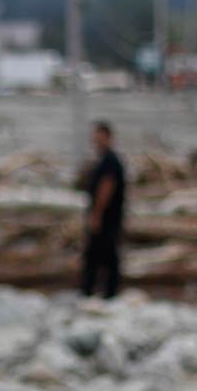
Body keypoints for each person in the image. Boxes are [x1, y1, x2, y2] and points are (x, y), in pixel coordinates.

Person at [81, 121, 126, 299]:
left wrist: (96, 214)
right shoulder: (103, 159)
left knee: (103, 254)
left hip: (108, 217)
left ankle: (104, 291)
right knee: (101, 254)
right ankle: (99, 291)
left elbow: (106, 187)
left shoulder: (110, 160)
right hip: (106, 217)